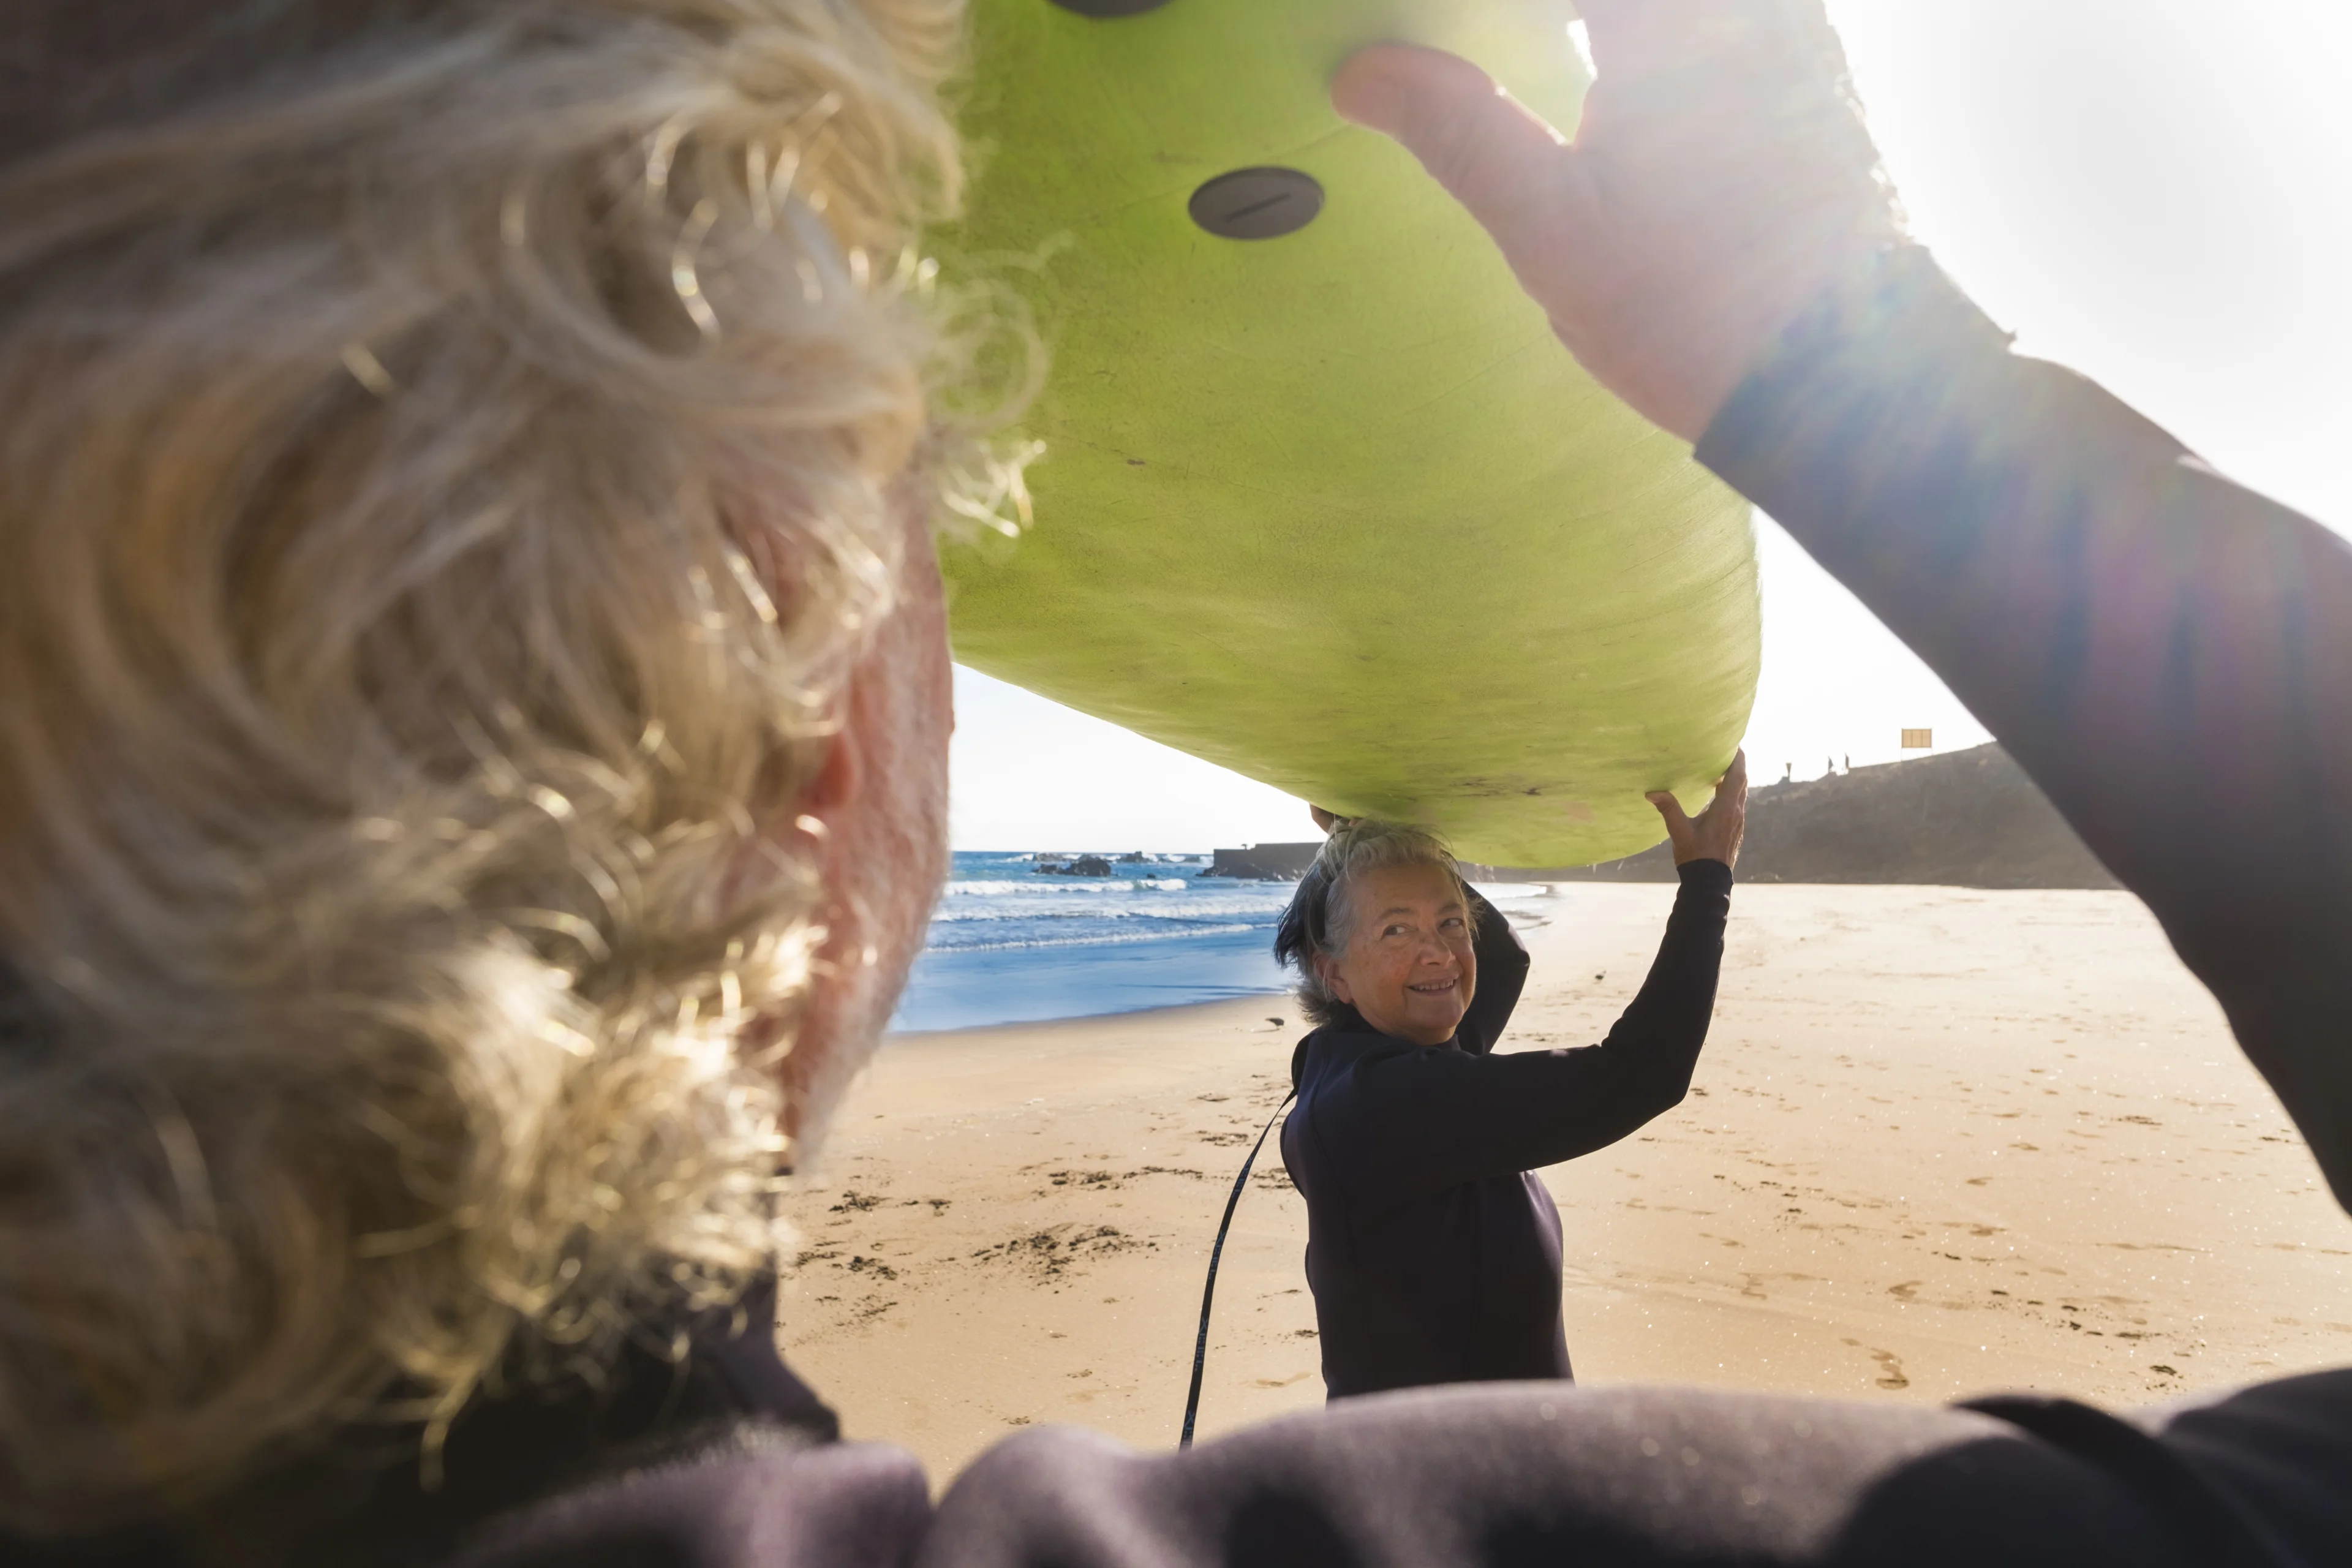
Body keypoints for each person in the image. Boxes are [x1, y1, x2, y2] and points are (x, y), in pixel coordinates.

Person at [7, 0, 2352, 1564]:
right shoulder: (1371, 1139)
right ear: (799, 739)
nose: (1432, 934)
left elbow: (1525, 996)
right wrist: (1849, 368)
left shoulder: (1394, 1059)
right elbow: (1614, 1070)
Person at [1273, 775, 1743, 1400]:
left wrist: (1367, 841)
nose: (1439, 952)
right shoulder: (1387, 1105)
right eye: (1395, 930)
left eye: (1448, 922)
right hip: (1445, 1482)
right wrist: (1708, 880)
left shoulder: (1381, 1062)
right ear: (1334, 972)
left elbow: (1498, 960)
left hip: (1503, 1463)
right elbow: (1641, 1073)